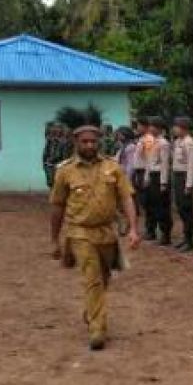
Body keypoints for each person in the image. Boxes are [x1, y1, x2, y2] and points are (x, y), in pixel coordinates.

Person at [50, 123, 141, 351]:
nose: (89, 145)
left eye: (93, 141)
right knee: (92, 278)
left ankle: (91, 311)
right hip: (80, 232)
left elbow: (127, 198)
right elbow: (57, 206)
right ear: (76, 143)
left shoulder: (112, 167)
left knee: (104, 277)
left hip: (107, 232)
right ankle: (97, 329)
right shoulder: (65, 171)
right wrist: (54, 240)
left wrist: (133, 228)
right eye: (84, 141)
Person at [170, 117, 193, 251]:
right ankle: (185, 237)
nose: (174, 129)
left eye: (176, 126)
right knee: (180, 208)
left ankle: (189, 239)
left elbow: (192, 165)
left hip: (184, 177)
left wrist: (189, 185)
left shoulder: (189, 142)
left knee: (187, 209)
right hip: (177, 176)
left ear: (184, 128)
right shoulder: (178, 141)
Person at [143, 118, 173, 244]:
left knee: (162, 206)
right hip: (153, 175)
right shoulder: (150, 141)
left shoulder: (164, 143)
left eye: (153, 126)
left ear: (160, 128)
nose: (150, 128)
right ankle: (155, 231)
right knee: (153, 204)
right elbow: (149, 161)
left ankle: (165, 234)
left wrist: (164, 182)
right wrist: (147, 177)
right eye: (150, 126)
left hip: (160, 175)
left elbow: (165, 163)